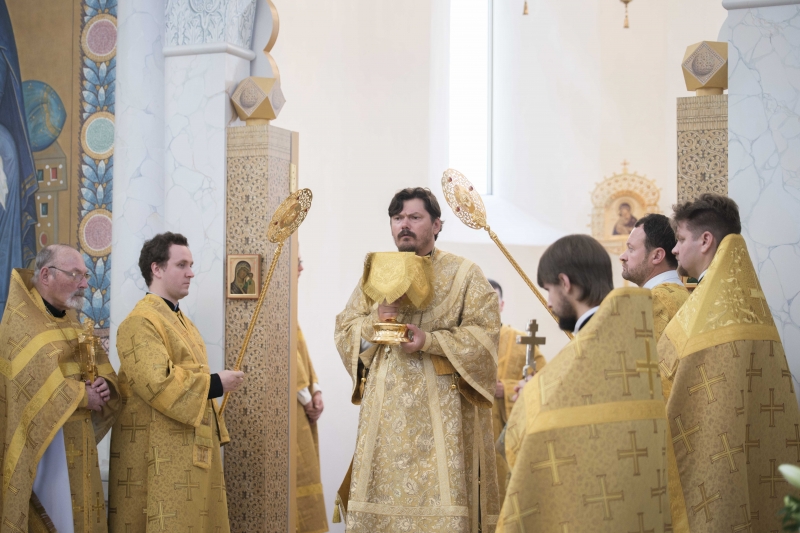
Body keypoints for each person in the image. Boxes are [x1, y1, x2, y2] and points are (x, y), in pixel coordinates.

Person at [334, 187, 501, 532]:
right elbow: (345, 329)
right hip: (385, 412)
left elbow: (485, 336)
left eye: (414, 217)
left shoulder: (465, 273)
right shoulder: (375, 271)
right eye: (398, 218)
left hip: (444, 411)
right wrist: (376, 320)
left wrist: (430, 341)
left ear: (437, 224)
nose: (404, 225)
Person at [498, 235, 668, 532]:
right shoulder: (632, 338)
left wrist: (535, 395)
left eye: (549, 290)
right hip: (635, 502)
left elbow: (526, 437)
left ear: (565, 283)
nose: (549, 303)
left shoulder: (588, 349)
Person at [658, 193, 800, 531]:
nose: (675, 250)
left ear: (706, 240)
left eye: (680, 239)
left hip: (712, 464)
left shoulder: (707, 314)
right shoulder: (749, 304)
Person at [108, 232, 245, 532]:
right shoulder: (140, 322)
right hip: (159, 456)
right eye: (182, 264)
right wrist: (215, 384)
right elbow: (157, 382)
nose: (191, 272)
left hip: (184, 451)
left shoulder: (181, 320)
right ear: (156, 269)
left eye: (191, 264)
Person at [0, 244, 120, 531]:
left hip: (79, 442)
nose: (84, 284)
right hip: (45, 449)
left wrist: (105, 385)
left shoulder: (70, 322)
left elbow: (98, 367)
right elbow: (28, 385)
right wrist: (82, 395)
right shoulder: (21, 326)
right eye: (75, 274)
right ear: (46, 275)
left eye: (86, 275)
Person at [487, 278, 546, 504]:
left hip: (505, 434)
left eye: (494, 301)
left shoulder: (523, 341)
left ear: (502, 305)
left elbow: (544, 382)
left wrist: (509, 389)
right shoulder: (464, 342)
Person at [296, 257, 328, 533]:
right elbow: (285, 359)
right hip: (291, 409)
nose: (302, 267)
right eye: (297, 261)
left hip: (302, 404)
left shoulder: (289, 305)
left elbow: (302, 355)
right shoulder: (276, 304)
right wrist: (308, 399)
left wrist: (316, 388)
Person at [619, 213, 689, 340]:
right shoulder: (685, 294)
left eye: (631, 249)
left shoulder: (652, 301)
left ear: (657, 256)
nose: (622, 256)